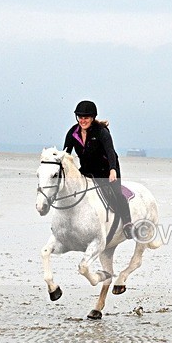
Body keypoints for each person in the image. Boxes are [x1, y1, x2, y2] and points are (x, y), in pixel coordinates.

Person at [63, 100, 133, 239]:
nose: (83, 121)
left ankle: (127, 223)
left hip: (107, 169)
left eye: (86, 118)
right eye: (80, 117)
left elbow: (110, 151)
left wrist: (113, 170)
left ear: (92, 118)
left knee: (116, 194)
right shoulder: (73, 133)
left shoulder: (101, 132)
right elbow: (66, 154)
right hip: (87, 170)